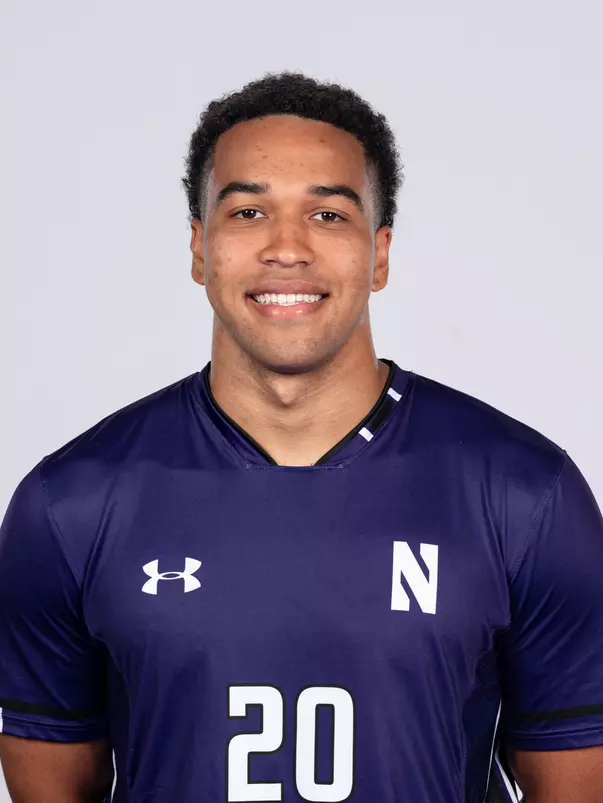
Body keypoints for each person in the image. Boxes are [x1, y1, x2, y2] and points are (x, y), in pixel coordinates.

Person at [0, 72, 602, 803]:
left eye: (327, 215)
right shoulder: (70, 504)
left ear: (378, 254)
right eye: (248, 210)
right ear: (199, 249)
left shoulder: (525, 495)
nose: (287, 248)